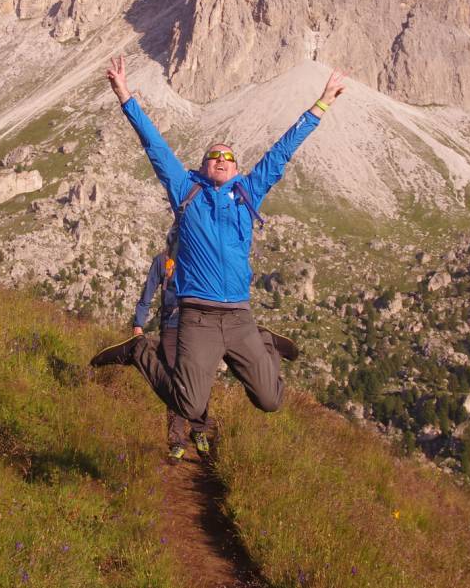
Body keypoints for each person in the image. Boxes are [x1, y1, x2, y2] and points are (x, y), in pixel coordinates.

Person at [91, 56, 345, 425]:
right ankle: (138, 352)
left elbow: (282, 152)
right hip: (198, 318)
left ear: (237, 168)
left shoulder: (248, 193)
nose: (222, 159)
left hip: (240, 317)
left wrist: (322, 103)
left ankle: (267, 343)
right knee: (189, 407)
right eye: (214, 156)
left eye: (228, 156)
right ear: (204, 165)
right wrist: (124, 95)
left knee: (271, 400)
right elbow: (155, 146)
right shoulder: (185, 191)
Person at [134, 248, 213, 462]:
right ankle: (177, 442)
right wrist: (138, 325)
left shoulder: (200, 255)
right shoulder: (162, 261)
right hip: (170, 327)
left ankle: (198, 430)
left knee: (199, 378)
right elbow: (147, 293)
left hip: (196, 326)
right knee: (173, 382)